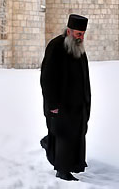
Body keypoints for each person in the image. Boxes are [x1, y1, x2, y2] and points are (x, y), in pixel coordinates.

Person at [40, 14, 91, 181]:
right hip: (61, 104)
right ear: (69, 31)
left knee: (76, 134)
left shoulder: (78, 48)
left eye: (83, 34)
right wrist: (52, 104)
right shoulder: (56, 46)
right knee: (64, 135)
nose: (81, 37)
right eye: (78, 34)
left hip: (77, 104)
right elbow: (47, 78)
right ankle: (62, 170)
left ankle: (73, 163)